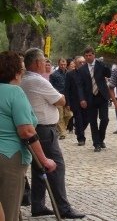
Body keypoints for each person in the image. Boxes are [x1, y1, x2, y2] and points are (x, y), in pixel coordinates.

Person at [21, 48, 85, 219]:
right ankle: (63, 207)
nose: (45, 63)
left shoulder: (25, 79)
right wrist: (60, 97)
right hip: (44, 128)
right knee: (55, 165)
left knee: (38, 167)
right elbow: (60, 100)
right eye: (43, 61)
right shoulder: (38, 81)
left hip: (37, 127)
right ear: (36, 63)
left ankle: (38, 204)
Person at [0, 51, 56, 221]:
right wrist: (44, 160)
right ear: (16, 71)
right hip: (9, 157)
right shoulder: (15, 92)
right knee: (9, 207)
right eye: (22, 68)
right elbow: (27, 131)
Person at [78, 46, 111, 152]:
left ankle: (101, 139)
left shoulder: (100, 65)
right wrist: (82, 99)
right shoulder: (82, 69)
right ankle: (96, 143)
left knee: (105, 119)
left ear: (94, 55)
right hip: (90, 97)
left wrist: (105, 64)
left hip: (102, 95)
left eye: (90, 55)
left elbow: (108, 74)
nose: (88, 57)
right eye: (86, 55)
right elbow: (80, 86)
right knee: (93, 121)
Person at [65, 56, 89, 145]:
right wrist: (67, 102)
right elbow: (66, 89)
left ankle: (79, 130)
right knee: (78, 119)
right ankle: (81, 138)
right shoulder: (70, 74)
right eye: (80, 62)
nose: (82, 64)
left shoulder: (88, 73)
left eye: (84, 62)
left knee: (86, 119)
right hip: (75, 101)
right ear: (75, 63)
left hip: (87, 101)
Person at [50, 58, 73, 140]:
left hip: (68, 98)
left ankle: (62, 128)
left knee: (69, 114)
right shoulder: (53, 75)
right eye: (61, 64)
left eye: (64, 64)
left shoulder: (69, 74)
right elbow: (51, 87)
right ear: (58, 64)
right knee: (60, 116)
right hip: (58, 97)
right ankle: (62, 133)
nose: (63, 66)